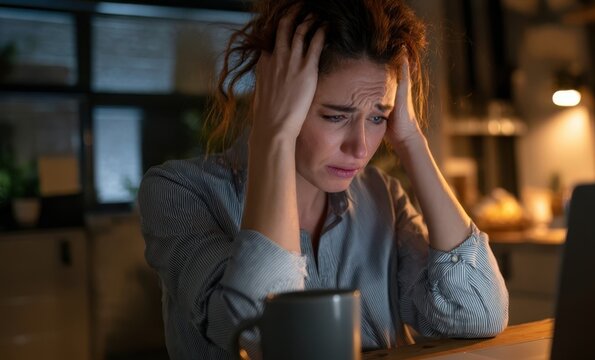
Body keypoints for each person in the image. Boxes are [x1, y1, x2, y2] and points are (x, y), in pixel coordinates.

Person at [138, 0, 509, 358]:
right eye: (335, 116)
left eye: (378, 118)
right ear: (276, 98)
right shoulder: (178, 191)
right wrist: (274, 136)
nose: (361, 148)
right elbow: (262, 339)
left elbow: (478, 314)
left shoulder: (383, 196)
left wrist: (411, 139)